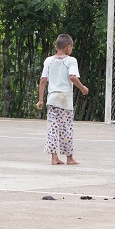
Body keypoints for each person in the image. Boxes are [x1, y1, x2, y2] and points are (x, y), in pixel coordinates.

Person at [36, 34, 89, 165]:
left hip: (52, 100)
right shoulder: (71, 61)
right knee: (66, 128)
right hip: (65, 100)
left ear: (56, 47)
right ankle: (69, 158)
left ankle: (54, 157)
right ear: (68, 47)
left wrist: (40, 100)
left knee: (52, 128)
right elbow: (72, 77)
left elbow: (43, 80)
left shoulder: (49, 60)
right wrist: (82, 88)